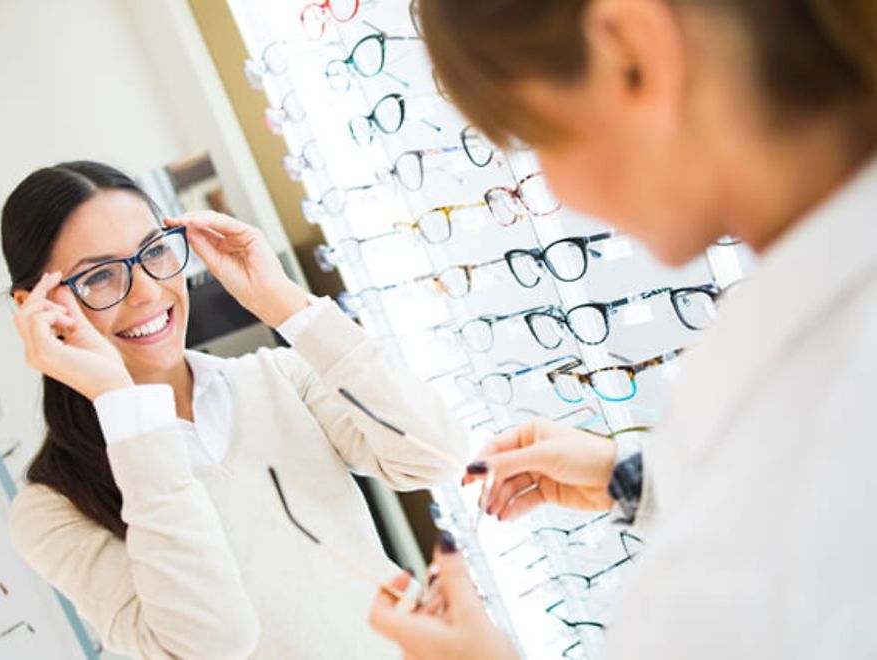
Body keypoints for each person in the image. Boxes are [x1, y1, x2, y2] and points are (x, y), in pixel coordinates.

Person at [370, 0, 877, 658]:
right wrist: (631, 480)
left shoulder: (821, 399)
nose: (553, 189)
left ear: (630, 53)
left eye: (535, 138)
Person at [1, 161, 467, 659]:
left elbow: (435, 454)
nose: (146, 291)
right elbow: (211, 644)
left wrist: (284, 301)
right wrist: (126, 408)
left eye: (154, 251)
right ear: (38, 305)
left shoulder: (277, 378)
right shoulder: (51, 511)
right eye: (98, 277)